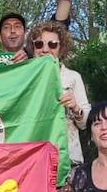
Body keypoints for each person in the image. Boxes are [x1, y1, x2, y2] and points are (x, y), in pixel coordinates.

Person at [27, 20, 90, 166]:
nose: (45, 49)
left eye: (52, 44)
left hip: (67, 159)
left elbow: (86, 123)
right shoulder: (24, 78)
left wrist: (75, 108)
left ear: (61, 49)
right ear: (33, 48)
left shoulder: (73, 77)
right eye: (39, 44)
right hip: (32, 161)